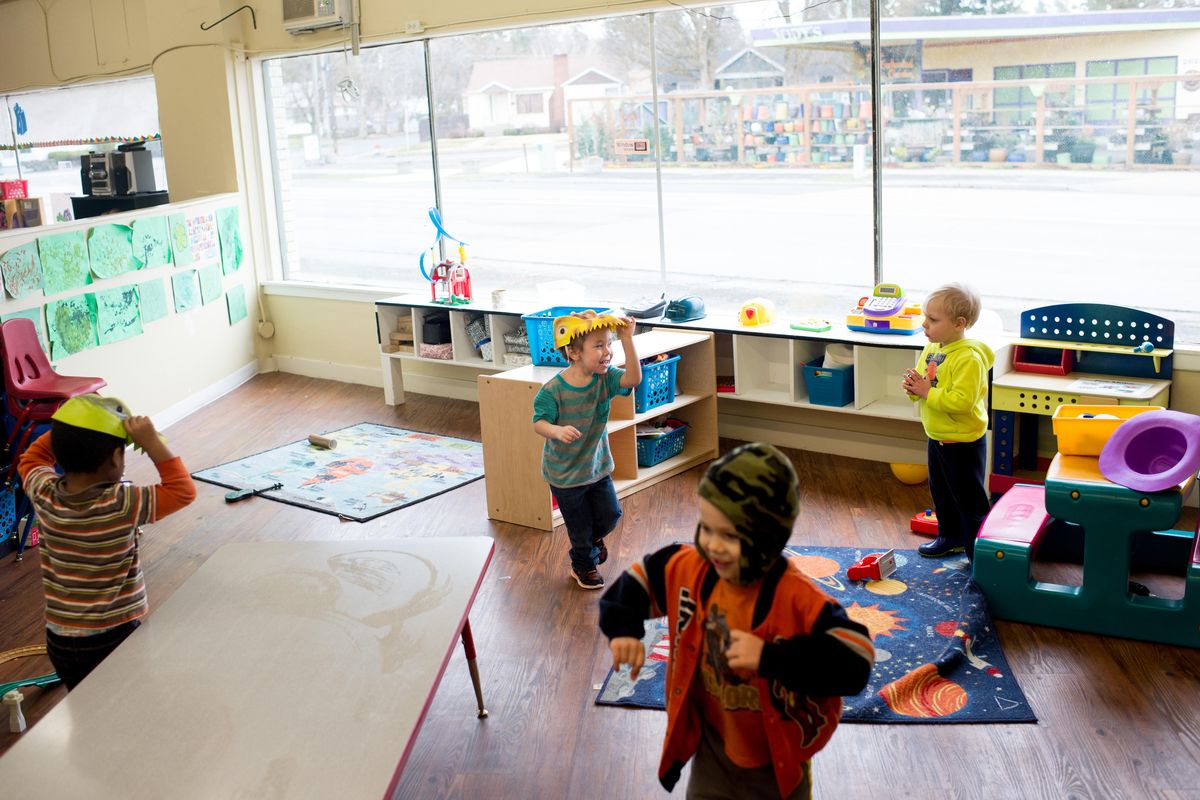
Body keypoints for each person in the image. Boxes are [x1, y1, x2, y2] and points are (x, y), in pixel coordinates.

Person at [599, 442, 874, 799]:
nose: (712, 545)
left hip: (777, 761)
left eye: (730, 535)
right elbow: (639, 580)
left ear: (767, 538)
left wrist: (770, 658)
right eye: (707, 528)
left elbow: (857, 661)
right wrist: (623, 630)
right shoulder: (690, 567)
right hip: (714, 746)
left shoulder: (796, 598)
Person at [17, 394, 197, 689]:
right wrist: (151, 442)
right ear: (116, 458)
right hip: (114, 635)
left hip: (60, 638)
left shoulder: (43, 492)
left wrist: (73, 427)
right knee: (123, 703)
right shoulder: (122, 502)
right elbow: (182, 491)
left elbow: (33, 458)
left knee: (84, 701)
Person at [533, 310, 641, 590]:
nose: (607, 352)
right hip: (565, 476)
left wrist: (627, 340)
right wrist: (556, 430)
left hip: (596, 466)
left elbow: (633, 380)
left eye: (609, 344)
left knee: (610, 515)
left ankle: (593, 541)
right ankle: (583, 566)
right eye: (599, 346)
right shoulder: (552, 390)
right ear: (573, 352)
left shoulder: (605, 378)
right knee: (579, 529)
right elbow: (539, 423)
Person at [902, 282, 994, 559]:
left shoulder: (968, 358)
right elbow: (923, 386)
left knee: (969, 500)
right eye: (924, 317)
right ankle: (950, 536)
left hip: (963, 441)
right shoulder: (932, 349)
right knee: (941, 493)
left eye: (932, 319)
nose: (924, 324)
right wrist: (914, 389)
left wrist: (927, 391)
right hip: (937, 435)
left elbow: (963, 402)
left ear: (959, 323)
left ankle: (978, 551)